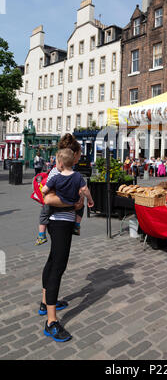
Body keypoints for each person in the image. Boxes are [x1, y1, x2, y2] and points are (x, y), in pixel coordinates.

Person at [38, 134, 89, 342]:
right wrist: (73, 204)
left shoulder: (68, 171)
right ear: (73, 153)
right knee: (58, 266)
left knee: (52, 262)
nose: (79, 157)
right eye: (79, 154)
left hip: (63, 222)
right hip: (59, 223)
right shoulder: (58, 171)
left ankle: (45, 302)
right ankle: (51, 322)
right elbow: (47, 198)